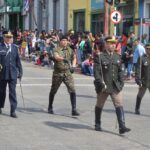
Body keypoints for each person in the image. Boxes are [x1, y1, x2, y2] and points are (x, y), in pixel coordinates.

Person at [93, 36, 131, 134]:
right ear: (106, 44)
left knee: (119, 104)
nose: (113, 45)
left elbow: (120, 72)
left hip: (115, 85)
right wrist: (100, 82)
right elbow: (97, 72)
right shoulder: (100, 56)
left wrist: (121, 83)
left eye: (114, 43)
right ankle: (97, 123)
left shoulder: (117, 56)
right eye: (110, 43)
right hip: (104, 85)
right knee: (99, 104)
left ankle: (122, 126)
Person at [48, 36, 80, 116]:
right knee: (53, 90)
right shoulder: (56, 49)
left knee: (72, 89)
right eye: (63, 40)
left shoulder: (70, 49)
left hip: (67, 73)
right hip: (58, 73)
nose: (65, 42)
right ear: (60, 41)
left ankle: (74, 109)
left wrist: (73, 66)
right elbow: (56, 57)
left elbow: (74, 58)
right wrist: (63, 59)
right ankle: (50, 107)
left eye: (66, 40)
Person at [0, 31, 23, 118]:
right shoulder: (0, 46)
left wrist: (20, 72)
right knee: (1, 92)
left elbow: (18, 61)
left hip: (12, 73)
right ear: (4, 37)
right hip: (2, 74)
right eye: (7, 37)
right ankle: (0, 106)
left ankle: (13, 110)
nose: (9, 38)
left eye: (10, 37)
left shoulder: (14, 48)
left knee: (12, 92)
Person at [134, 43, 150, 115]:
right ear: (145, 49)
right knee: (140, 95)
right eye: (148, 49)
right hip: (144, 80)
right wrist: (138, 79)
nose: (149, 50)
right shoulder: (141, 58)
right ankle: (137, 108)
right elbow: (138, 69)